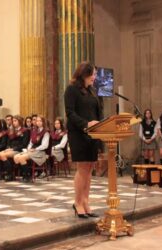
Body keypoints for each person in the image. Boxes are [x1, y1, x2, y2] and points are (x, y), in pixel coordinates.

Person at [64, 61, 103, 219]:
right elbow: (70, 113)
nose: (94, 77)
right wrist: (86, 124)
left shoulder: (92, 91)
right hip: (79, 133)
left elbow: (98, 112)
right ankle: (78, 202)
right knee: (82, 169)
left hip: (93, 134)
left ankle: (86, 201)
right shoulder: (72, 89)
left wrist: (101, 126)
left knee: (89, 169)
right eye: (93, 74)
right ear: (84, 74)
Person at [14, 115, 50, 181]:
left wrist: (35, 149)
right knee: (16, 157)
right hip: (33, 150)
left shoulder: (46, 132)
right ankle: (25, 174)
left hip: (40, 152)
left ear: (43, 122)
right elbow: (31, 142)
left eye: (40, 121)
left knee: (21, 158)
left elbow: (45, 145)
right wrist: (28, 149)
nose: (38, 122)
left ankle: (28, 175)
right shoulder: (34, 131)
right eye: (37, 121)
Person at [0, 115, 30, 181]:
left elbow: (24, 144)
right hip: (11, 149)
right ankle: (2, 174)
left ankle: (10, 174)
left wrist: (12, 149)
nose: (13, 122)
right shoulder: (12, 130)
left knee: (3, 155)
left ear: (20, 122)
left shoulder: (25, 130)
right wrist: (8, 147)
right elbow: (9, 142)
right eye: (13, 121)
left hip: (19, 149)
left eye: (15, 121)